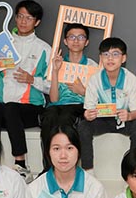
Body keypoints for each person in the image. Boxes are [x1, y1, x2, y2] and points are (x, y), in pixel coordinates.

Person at [0, 0, 52, 182]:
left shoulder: (44, 49)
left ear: (37, 22)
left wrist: (32, 80)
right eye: (20, 16)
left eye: (28, 18)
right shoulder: (1, 44)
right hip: (3, 106)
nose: (23, 21)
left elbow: (51, 85)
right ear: (15, 18)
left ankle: (21, 165)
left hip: (31, 108)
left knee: (11, 108)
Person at [78, 37, 136, 172]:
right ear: (100, 58)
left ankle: (135, 169)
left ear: (123, 58)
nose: (110, 59)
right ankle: (88, 171)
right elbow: (88, 110)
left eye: (115, 54)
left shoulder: (131, 79)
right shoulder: (95, 80)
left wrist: (129, 116)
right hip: (102, 121)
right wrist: (88, 115)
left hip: (124, 121)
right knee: (83, 126)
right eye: (106, 54)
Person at [40, 23, 98, 169]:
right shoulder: (58, 62)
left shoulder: (92, 66)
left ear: (86, 42)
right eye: (72, 37)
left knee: (65, 118)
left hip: (79, 106)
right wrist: (55, 71)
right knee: (49, 118)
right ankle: (48, 167)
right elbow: (54, 99)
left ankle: (68, 165)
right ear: (65, 41)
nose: (76, 41)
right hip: (58, 106)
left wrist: (83, 91)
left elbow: (98, 98)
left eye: (81, 37)